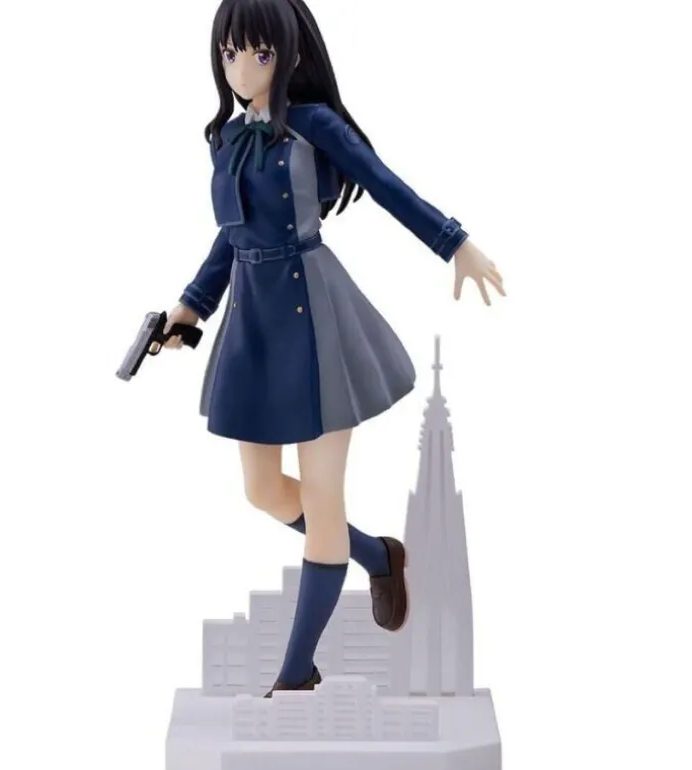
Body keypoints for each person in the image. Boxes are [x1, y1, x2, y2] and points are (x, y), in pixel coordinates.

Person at [159, 0, 505, 696]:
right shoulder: (227, 138)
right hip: (252, 324)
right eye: (229, 53)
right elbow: (232, 236)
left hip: (313, 316)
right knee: (261, 491)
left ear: (286, 55)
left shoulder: (313, 124)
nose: (241, 68)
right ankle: (377, 555)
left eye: (257, 53)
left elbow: (383, 183)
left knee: (321, 497)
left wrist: (455, 243)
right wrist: (190, 306)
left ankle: (296, 675)